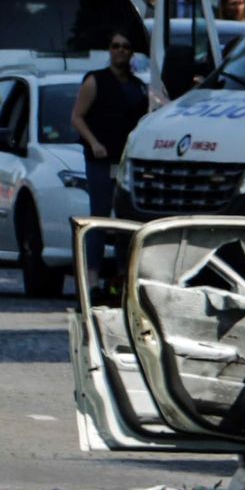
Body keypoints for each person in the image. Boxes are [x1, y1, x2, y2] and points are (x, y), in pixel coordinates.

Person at [70, 30, 147, 296]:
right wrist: (94, 143)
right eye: (115, 46)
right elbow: (77, 117)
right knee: (99, 219)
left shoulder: (138, 86)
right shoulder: (95, 80)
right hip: (101, 161)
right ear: (109, 50)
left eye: (125, 46)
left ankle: (123, 280)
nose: (120, 50)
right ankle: (90, 280)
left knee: (126, 221)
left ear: (132, 52)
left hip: (125, 162)